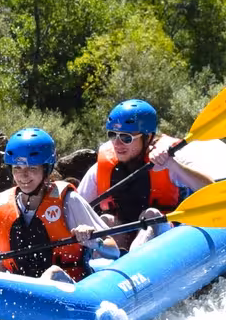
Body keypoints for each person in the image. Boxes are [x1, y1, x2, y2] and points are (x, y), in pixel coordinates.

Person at [76, 99, 213, 252]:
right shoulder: (101, 167)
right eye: (112, 135)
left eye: (126, 137)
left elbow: (210, 190)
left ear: (147, 138)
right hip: (125, 235)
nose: (117, 143)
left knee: (151, 215)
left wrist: (172, 165)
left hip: (169, 235)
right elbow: (76, 207)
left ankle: (133, 260)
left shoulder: (167, 159)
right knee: (106, 220)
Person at [0, 127, 116, 282]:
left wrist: (95, 241)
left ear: (46, 170)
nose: (23, 175)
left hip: (73, 286)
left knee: (53, 273)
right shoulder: (5, 206)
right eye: (17, 168)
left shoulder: (69, 201)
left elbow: (113, 250)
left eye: (32, 168)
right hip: (26, 292)